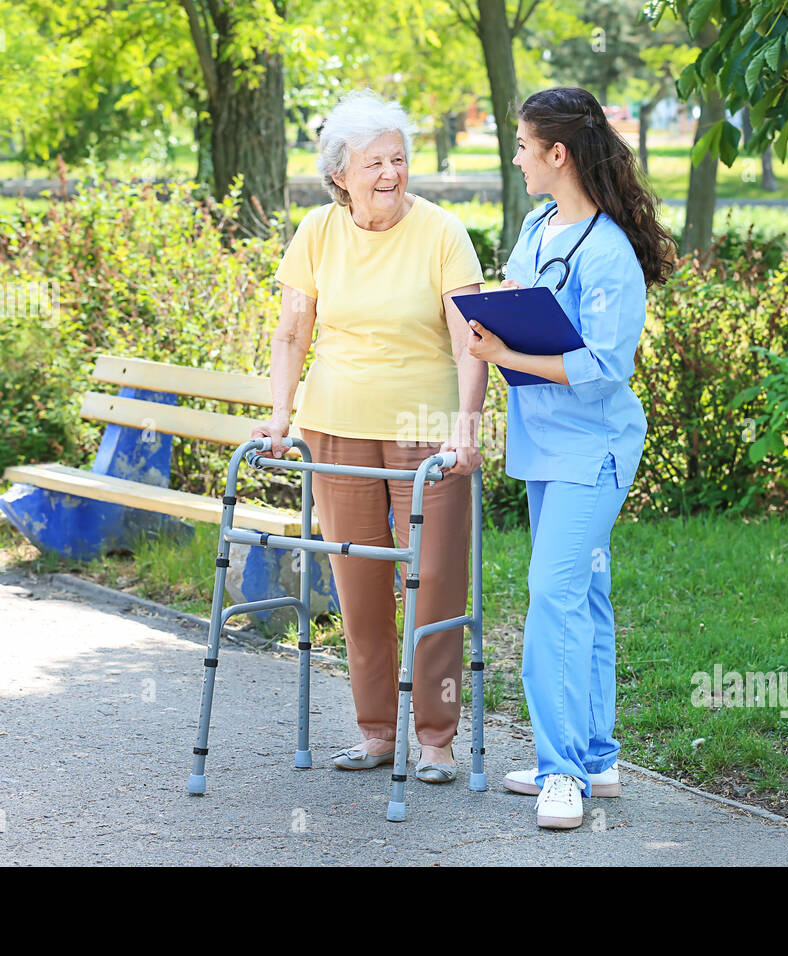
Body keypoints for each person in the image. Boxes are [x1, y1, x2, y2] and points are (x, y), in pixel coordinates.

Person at [253, 90, 486, 782]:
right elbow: (293, 330)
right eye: (374, 162)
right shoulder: (318, 233)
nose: (390, 173)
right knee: (360, 584)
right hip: (337, 426)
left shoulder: (443, 232)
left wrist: (467, 428)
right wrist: (279, 415)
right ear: (340, 174)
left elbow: (470, 339)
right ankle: (377, 732)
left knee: (437, 585)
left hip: (429, 434)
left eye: (399, 159)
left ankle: (437, 739)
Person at [465, 87, 676, 828]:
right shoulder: (539, 222)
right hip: (544, 446)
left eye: (524, 145)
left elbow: (604, 367)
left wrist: (511, 350)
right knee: (583, 596)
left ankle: (562, 777)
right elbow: (524, 297)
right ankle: (594, 758)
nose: (516, 157)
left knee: (551, 596)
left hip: (595, 453)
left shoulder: (610, 254)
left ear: (558, 153)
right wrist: (495, 319)